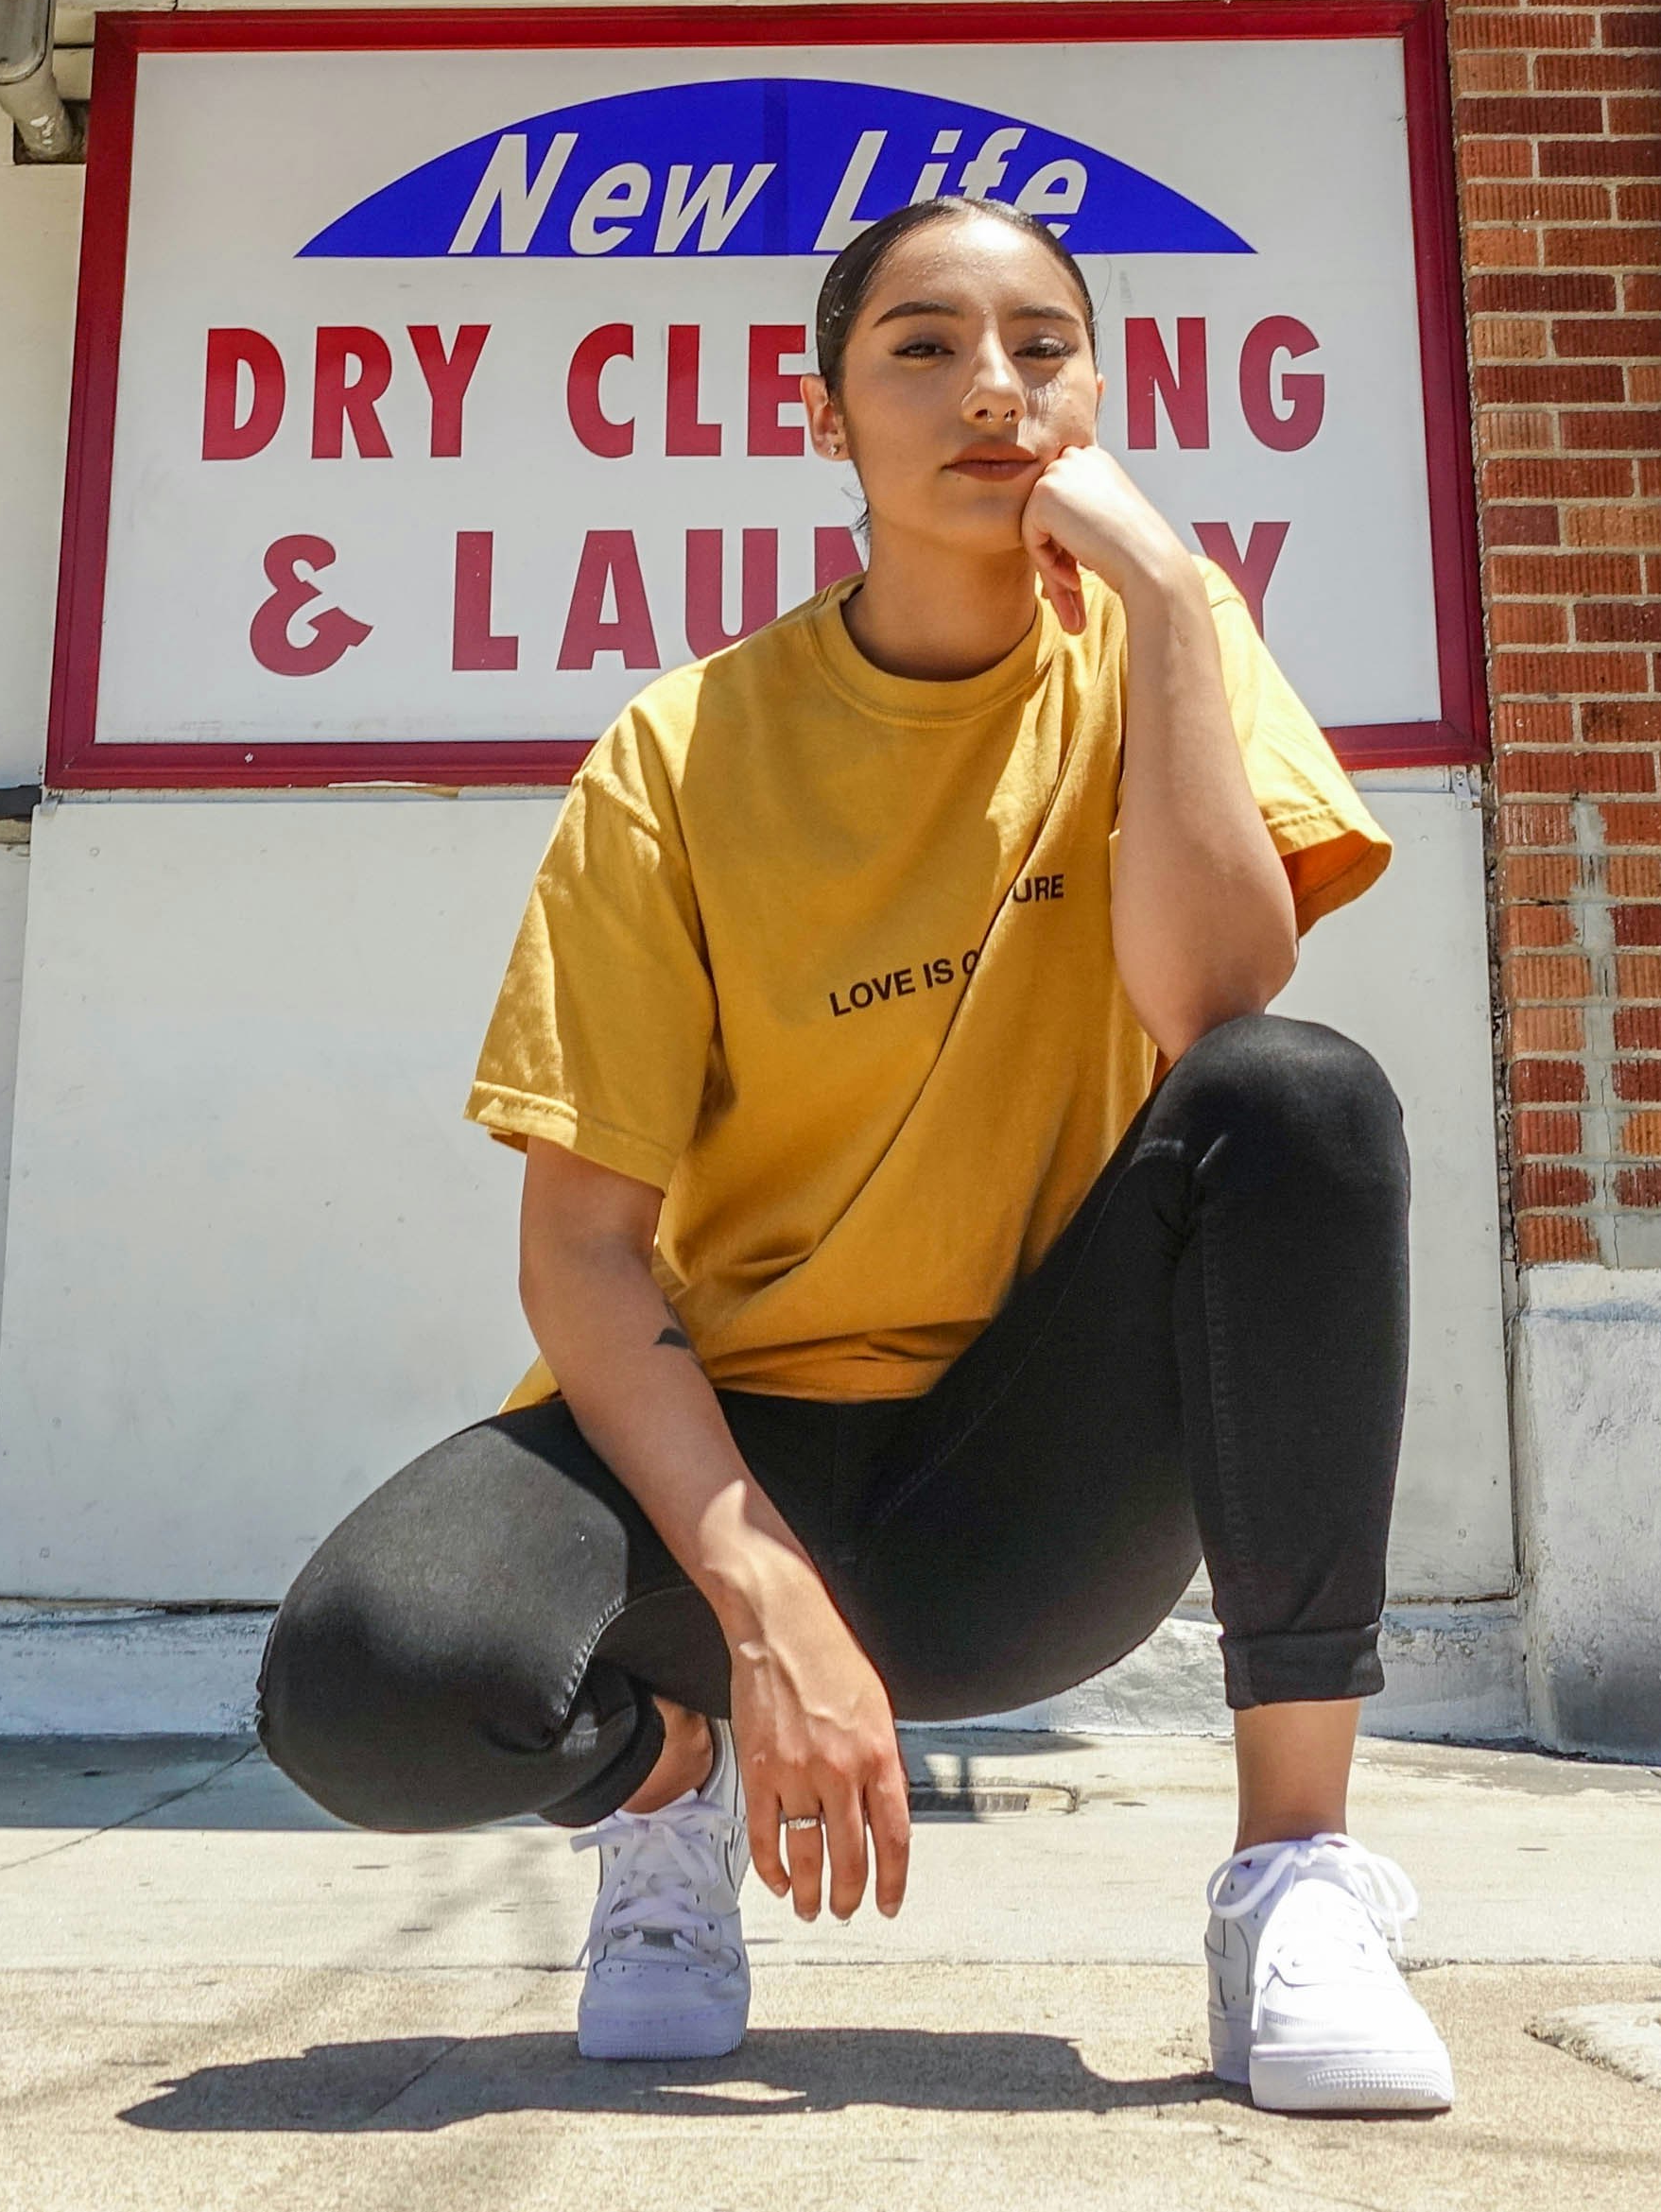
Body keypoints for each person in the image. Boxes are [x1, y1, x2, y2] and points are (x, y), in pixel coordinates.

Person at [260, 193, 1455, 2116]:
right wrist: (759, 1606)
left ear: (1098, 387)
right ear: (827, 414)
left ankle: (1293, 1874)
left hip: (1022, 1485)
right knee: (362, 1677)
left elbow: (1217, 1003)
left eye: (1042, 345)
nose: (992, 386)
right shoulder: (680, 749)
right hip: (730, 1448)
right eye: (920, 346)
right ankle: (673, 1786)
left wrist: (1159, 600)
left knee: (1298, 1094)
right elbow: (581, 1248)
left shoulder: (1168, 640)